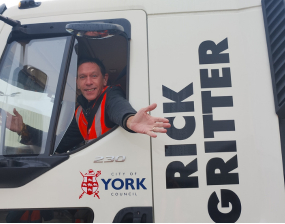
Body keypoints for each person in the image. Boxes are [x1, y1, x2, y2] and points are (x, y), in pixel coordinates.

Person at [4, 58, 170, 153]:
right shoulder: (80, 113)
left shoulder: (110, 96)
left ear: (104, 79)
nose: (88, 82)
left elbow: (118, 107)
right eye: (83, 77)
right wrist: (23, 129)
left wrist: (130, 120)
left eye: (94, 76)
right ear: (77, 83)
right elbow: (59, 144)